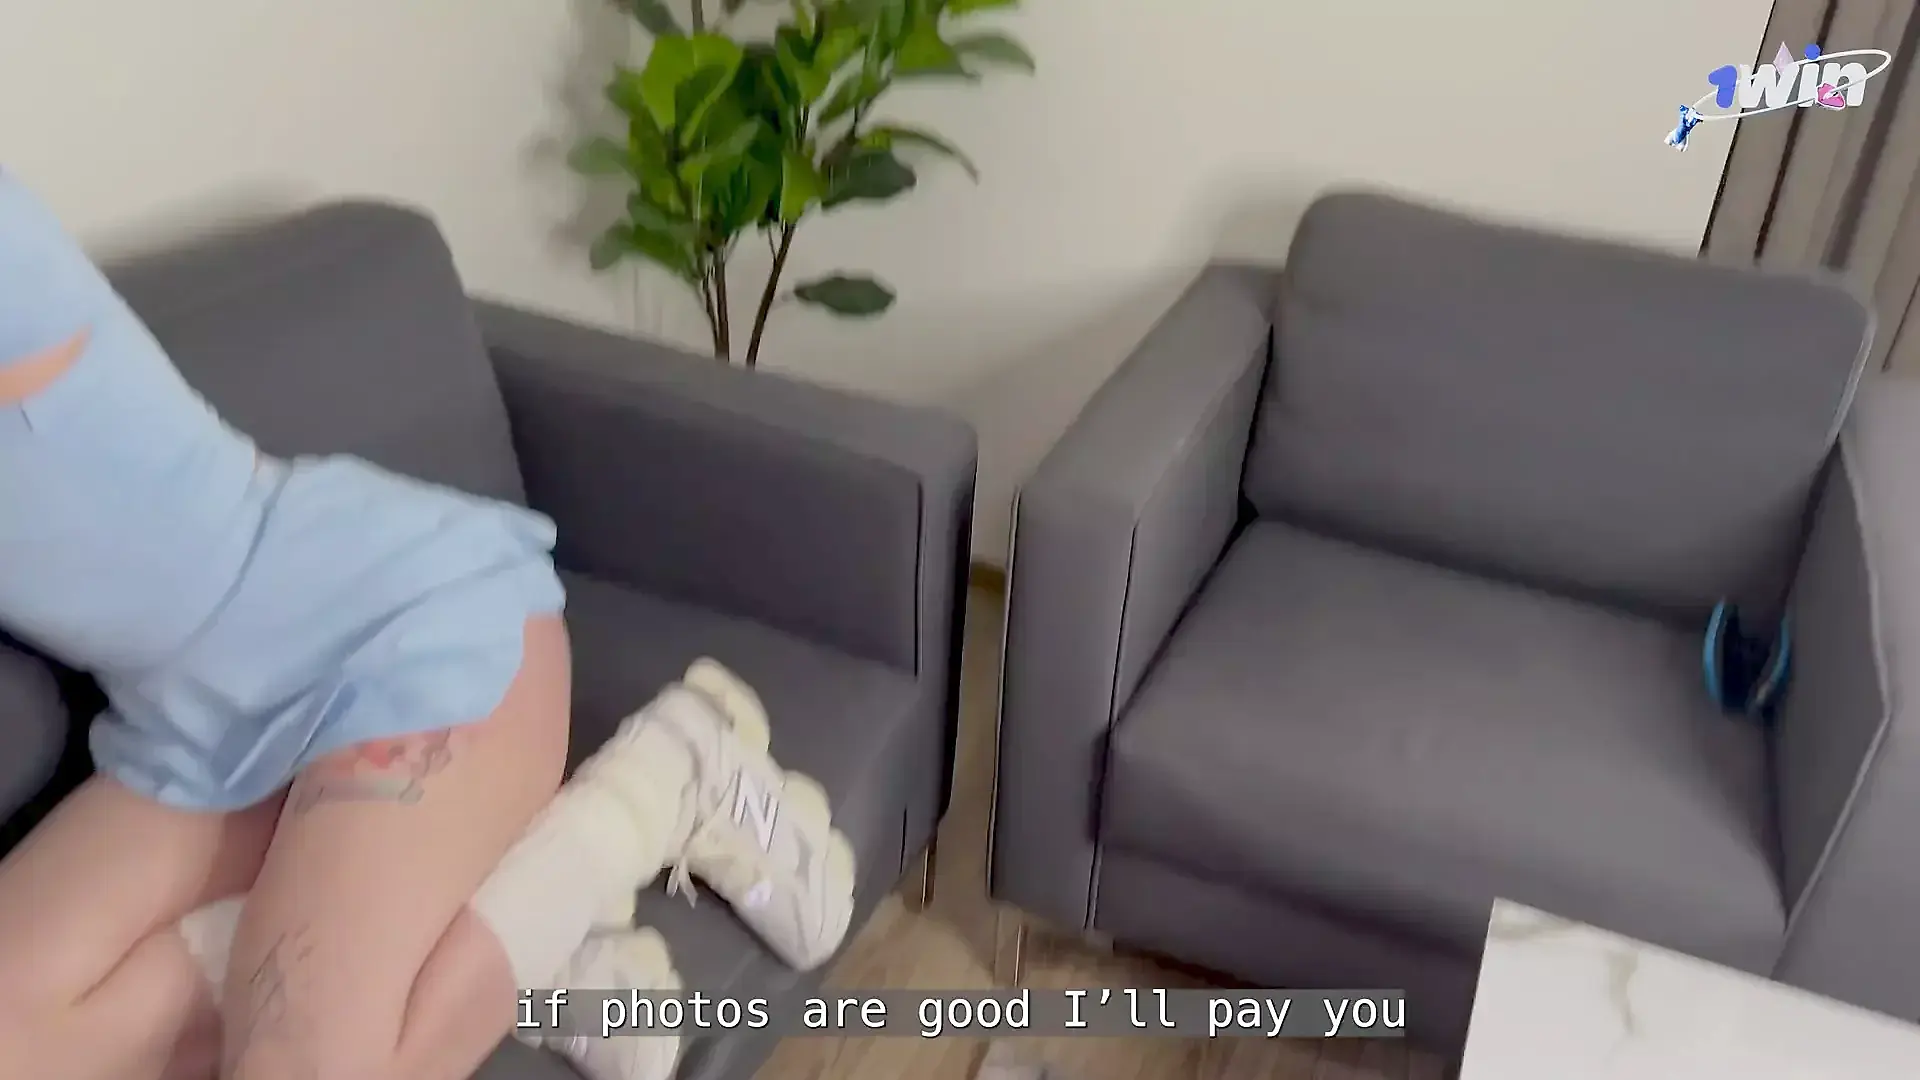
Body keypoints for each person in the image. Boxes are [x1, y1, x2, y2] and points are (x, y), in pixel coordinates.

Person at [0, 170, 856, 1080]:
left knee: (303, 1064)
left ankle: (669, 778)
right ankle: (466, 919)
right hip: (191, 727)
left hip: (396, 626)